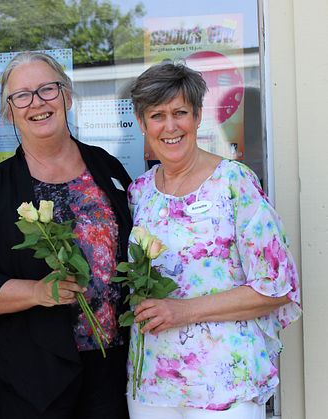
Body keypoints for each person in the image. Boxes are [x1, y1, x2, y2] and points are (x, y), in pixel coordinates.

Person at [0, 51, 132, 418]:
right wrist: (37, 292)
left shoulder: (106, 166)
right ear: (9, 112)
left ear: (66, 96)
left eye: (47, 89)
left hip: (110, 364)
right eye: (22, 95)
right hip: (30, 376)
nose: (37, 103)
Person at [125, 62, 301, 419]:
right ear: (142, 124)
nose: (170, 126)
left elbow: (278, 285)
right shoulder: (139, 193)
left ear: (198, 116)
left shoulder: (234, 183)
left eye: (180, 113)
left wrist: (183, 311)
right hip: (152, 381)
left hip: (225, 381)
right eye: (157, 115)